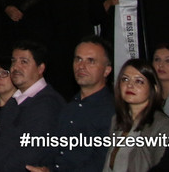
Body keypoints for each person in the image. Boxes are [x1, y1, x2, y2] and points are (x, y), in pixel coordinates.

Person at [27, 36, 116, 172]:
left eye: (90, 61)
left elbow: (100, 163)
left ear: (107, 70)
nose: (81, 66)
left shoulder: (112, 111)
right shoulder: (69, 107)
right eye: (78, 59)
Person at [0, 40, 66, 172]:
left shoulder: (48, 104)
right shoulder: (14, 102)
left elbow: (29, 156)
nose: (16, 67)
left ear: (40, 68)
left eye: (23, 62)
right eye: (14, 61)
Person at [102, 58, 169, 172]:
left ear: (154, 88)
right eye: (125, 79)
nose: (129, 85)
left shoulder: (162, 126)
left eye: (139, 81)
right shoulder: (117, 120)